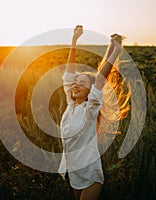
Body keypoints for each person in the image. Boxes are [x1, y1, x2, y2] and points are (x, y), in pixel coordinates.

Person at [59, 25, 127, 200]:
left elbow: (99, 79)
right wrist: (74, 40)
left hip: (90, 173)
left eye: (82, 83)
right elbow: (69, 73)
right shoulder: (70, 105)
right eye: (75, 82)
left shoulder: (90, 109)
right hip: (74, 172)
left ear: (91, 91)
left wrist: (115, 50)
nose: (76, 84)